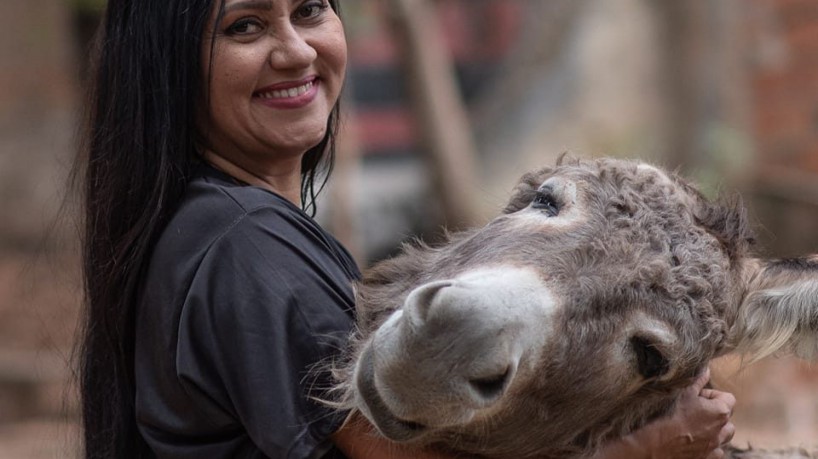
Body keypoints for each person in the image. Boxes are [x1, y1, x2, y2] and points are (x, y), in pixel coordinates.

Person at [75, 0, 736, 458]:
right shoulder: (243, 245)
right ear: (169, 63)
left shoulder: (217, 224)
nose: (296, 49)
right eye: (246, 27)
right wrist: (648, 444)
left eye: (310, 11)